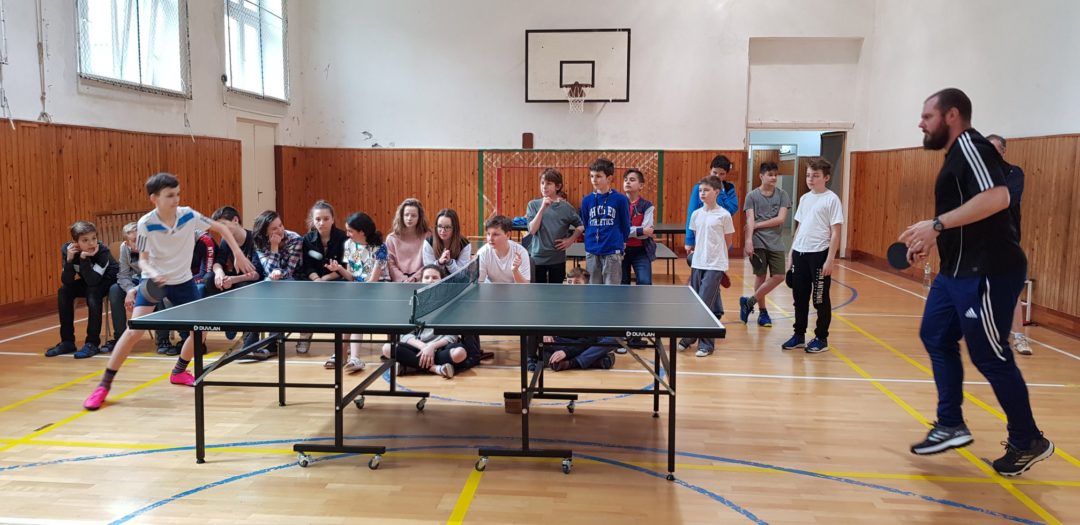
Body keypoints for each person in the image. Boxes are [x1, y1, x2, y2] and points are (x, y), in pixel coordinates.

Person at [903, 88, 1052, 476]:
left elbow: (998, 198)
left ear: (952, 115)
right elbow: (966, 214)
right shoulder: (956, 155)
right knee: (936, 335)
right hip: (954, 271)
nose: (921, 123)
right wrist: (931, 237)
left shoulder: (973, 146)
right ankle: (950, 423)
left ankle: (1027, 439)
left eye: (927, 116)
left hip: (987, 271)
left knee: (989, 355)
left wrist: (937, 225)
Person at [83, 172, 256, 411]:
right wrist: (154, 273)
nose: (176, 200)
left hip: (183, 282)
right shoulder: (145, 224)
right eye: (170, 195)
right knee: (133, 332)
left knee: (200, 332)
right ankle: (103, 386)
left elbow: (221, 229)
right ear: (154, 198)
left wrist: (237, 253)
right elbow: (143, 260)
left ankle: (179, 372)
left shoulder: (188, 215)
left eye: (177, 194)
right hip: (155, 282)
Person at [781, 158, 843, 354]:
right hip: (800, 253)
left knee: (820, 299)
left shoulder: (831, 199)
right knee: (799, 298)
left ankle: (821, 338)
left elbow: (836, 232)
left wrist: (830, 259)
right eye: (808, 175)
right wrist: (791, 253)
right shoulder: (804, 198)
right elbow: (800, 227)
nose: (810, 179)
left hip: (819, 254)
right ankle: (799, 335)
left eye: (815, 176)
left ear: (826, 177)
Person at [380, 265, 481, 378]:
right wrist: (424, 347)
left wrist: (432, 347)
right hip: (417, 347)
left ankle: (410, 366)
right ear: (421, 281)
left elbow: (452, 336)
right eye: (426, 277)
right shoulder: (413, 302)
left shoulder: (450, 303)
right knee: (387, 349)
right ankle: (436, 369)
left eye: (434, 277)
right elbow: (406, 335)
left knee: (460, 353)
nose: (430, 280)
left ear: (442, 281)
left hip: (440, 348)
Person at [677, 175, 735, 357]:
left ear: (716, 192)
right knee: (697, 302)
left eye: (706, 190)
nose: (702, 193)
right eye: (701, 190)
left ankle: (705, 344)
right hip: (698, 262)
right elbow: (697, 238)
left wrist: (719, 258)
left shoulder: (724, 215)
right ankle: (691, 336)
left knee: (704, 304)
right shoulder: (696, 214)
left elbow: (728, 241)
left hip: (715, 265)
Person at [46, 220, 119, 359]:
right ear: (75, 242)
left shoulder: (102, 251)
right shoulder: (68, 250)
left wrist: (84, 258)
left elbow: (93, 281)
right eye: (85, 240)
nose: (91, 243)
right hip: (90, 280)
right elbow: (67, 280)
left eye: (94, 238)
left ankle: (92, 343)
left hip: (108, 281)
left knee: (93, 292)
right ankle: (67, 342)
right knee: (64, 291)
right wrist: (69, 260)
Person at [326, 212, 388, 373]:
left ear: (362, 232)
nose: (347, 234)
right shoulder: (349, 244)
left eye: (350, 231)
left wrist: (357, 295)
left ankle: (353, 357)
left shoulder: (380, 248)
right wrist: (338, 268)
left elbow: (373, 281)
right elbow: (351, 276)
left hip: (376, 290)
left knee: (354, 313)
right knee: (346, 313)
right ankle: (342, 355)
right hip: (357, 290)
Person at [987, 134, 1031, 356]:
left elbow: (1005, 201)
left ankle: (1020, 337)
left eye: (995, 150)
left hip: (1007, 241)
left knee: (1011, 288)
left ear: (1003, 151)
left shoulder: (1015, 173)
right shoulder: (976, 175)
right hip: (979, 241)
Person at [104, 222, 171, 354]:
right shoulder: (124, 248)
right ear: (127, 243)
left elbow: (157, 276)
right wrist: (129, 290)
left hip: (155, 280)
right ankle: (120, 338)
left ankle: (163, 339)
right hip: (136, 280)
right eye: (135, 240)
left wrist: (135, 290)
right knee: (114, 290)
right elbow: (123, 275)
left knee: (157, 290)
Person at [740, 162, 792, 327]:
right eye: (770, 174)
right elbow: (749, 219)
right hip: (758, 241)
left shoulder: (783, 195)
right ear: (761, 176)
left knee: (779, 276)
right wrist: (748, 241)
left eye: (775, 174)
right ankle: (763, 312)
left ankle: (749, 302)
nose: (774, 177)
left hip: (776, 242)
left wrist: (758, 224)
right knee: (760, 276)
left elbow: (780, 219)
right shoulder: (752, 196)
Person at [685, 155, 737, 314]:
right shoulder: (699, 189)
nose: (718, 176)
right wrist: (689, 240)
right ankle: (717, 311)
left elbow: (731, 209)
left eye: (722, 174)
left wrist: (721, 192)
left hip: (717, 244)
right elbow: (692, 213)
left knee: (707, 290)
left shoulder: (728, 189)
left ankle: (710, 316)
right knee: (705, 289)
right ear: (710, 170)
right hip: (701, 247)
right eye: (715, 173)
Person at [206, 206, 263, 349]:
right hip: (235, 281)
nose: (221, 231)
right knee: (209, 279)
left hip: (253, 283)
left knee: (245, 288)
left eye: (223, 225)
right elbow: (217, 262)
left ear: (235, 220)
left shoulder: (254, 239)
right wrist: (220, 274)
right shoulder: (225, 241)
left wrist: (232, 280)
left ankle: (250, 341)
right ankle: (228, 317)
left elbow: (256, 274)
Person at [296, 200, 347, 354]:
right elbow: (307, 266)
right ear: (313, 220)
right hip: (314, 280)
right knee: (306, 300)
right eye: (318, 219)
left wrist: (326, 279)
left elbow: (344, 266)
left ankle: (344, 343)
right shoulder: (307, 239)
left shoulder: (343, 238)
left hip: (337, 279)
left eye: (326, 219)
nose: (322, 222)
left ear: (333, 219)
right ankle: (305, 335)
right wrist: (317, 280)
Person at [542, 267, 617, 372]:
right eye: (569, 282)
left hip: (585, 342)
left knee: (613, 339)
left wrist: (566, 352)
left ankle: (572, 363)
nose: (572, 285)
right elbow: (546, 320)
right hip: (564, 341)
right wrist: (546, 331)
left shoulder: (593, 304)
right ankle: (595, 360)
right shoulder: (557, 300)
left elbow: (590, 339)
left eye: (577, 282)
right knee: (539, 338)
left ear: (586, 285)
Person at [526, 168, 582, 283]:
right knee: (537, 292)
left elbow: (580, 226)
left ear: (558, 186)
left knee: (556, 292)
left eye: (548, 183)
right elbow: (532, 230)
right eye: (542, 183)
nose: (544, 187)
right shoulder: (533, 205)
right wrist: (542, 208)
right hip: (537, 258)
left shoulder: (566, 207)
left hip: (557, 259)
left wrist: (570, 240)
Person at [580, 158, 630, 284]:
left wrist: (621, 242)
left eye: (598, 176)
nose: (594, 180)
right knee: (593, 289)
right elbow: (586, 223)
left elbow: (625, 225)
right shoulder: (586, 200)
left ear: (609, 178)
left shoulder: (620, 199)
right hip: (592, 250)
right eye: (592, 176)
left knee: (611, 290)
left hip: (612, 251)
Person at [621, 169, 657, 286]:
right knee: (622, 284)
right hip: (620, 250)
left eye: (632, 180)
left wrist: (629, 231)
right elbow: (618, 230)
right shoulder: (617, 204)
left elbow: (646, 234)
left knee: (645, 282)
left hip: (641, 251)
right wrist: (640, 230)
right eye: (625, 180)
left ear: (641, 185)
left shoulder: (647, 206)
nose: (627, 182)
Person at [386, 198, 430, 283]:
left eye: (413, 215)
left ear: (419, 217)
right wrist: (403, 279)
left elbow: (429, 262)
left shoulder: (428, 236)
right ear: (401, 216)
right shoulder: (391, 238)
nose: (409, 218)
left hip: (422, 280)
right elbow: (390, 264)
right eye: (406, 215)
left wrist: (415, 278)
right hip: (399, 283)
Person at [477, 215, 531, 284]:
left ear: (508, 235)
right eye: (488, 234)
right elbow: (480, 284)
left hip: (515, 290)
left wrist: (515, 271)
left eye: (495, 234)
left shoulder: (521, 252)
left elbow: (525, 286)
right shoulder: (482, 253)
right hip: (491, 289)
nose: (490, 239)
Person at [423, 208, 472, 275]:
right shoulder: (428, 242)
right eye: (439, 226)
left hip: (457, 281)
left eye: (447, 227)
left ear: (455, 228)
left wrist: (450, 263)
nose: (443, 231)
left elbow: (461, 274)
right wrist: (439, 263)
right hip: (436, 280)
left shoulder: (464, 244)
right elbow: (429, 272)